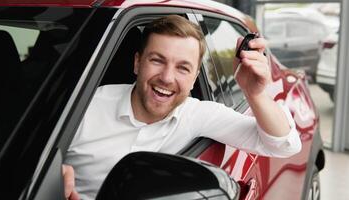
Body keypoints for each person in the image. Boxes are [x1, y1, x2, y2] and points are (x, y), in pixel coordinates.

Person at [63, 15, 302, 200]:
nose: (167, 78)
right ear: (137, 62)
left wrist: (255, 94)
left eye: (183, 68)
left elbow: (284, 145)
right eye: (157, 60)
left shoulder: (197, 114)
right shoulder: (84, 106)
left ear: (195, 76)